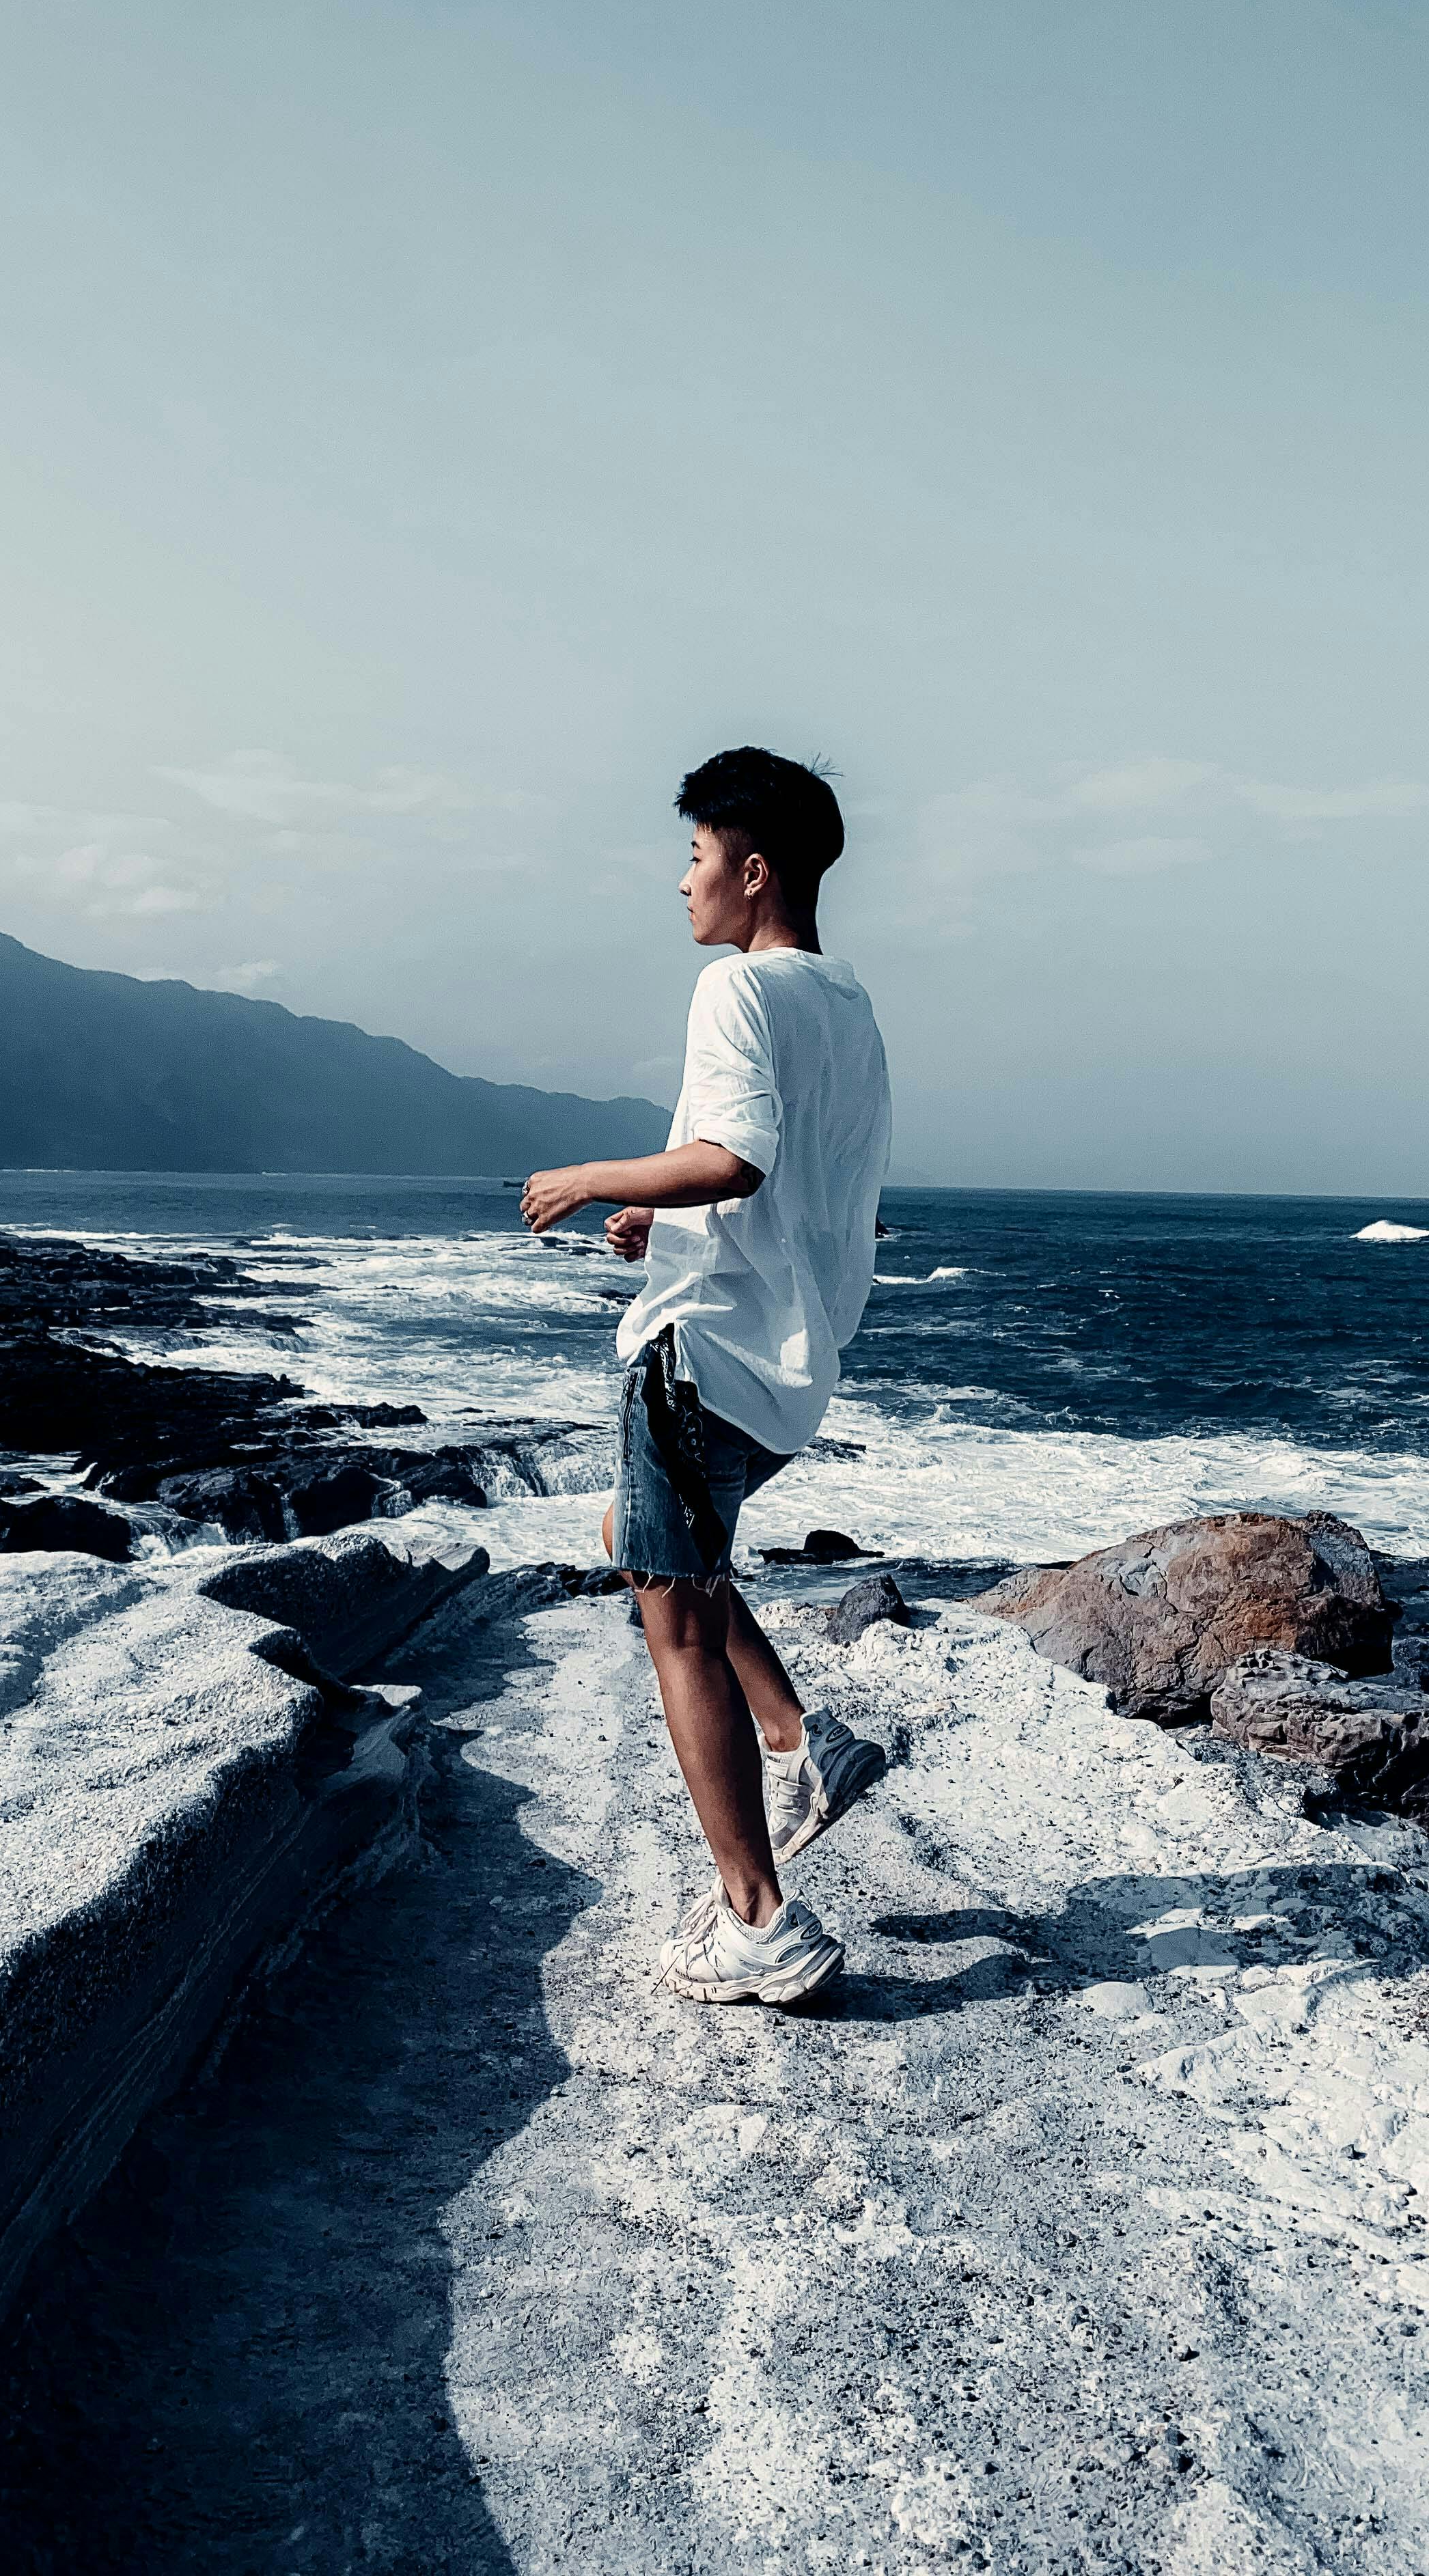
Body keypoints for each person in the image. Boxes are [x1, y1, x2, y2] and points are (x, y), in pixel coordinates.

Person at [520, 747, 892, 2008]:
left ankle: (758, 1920)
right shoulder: (849, 1006)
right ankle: (804, 1741)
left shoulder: (736, 994)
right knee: (644, 1535)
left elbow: (734, 1158)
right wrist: (657, 1225)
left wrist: (591, 1181)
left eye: (692, 858)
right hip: (792, 1359)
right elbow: (803, 1190)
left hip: (703, 1354)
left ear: (751, 869)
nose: (679, 885)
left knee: (672, 1618)